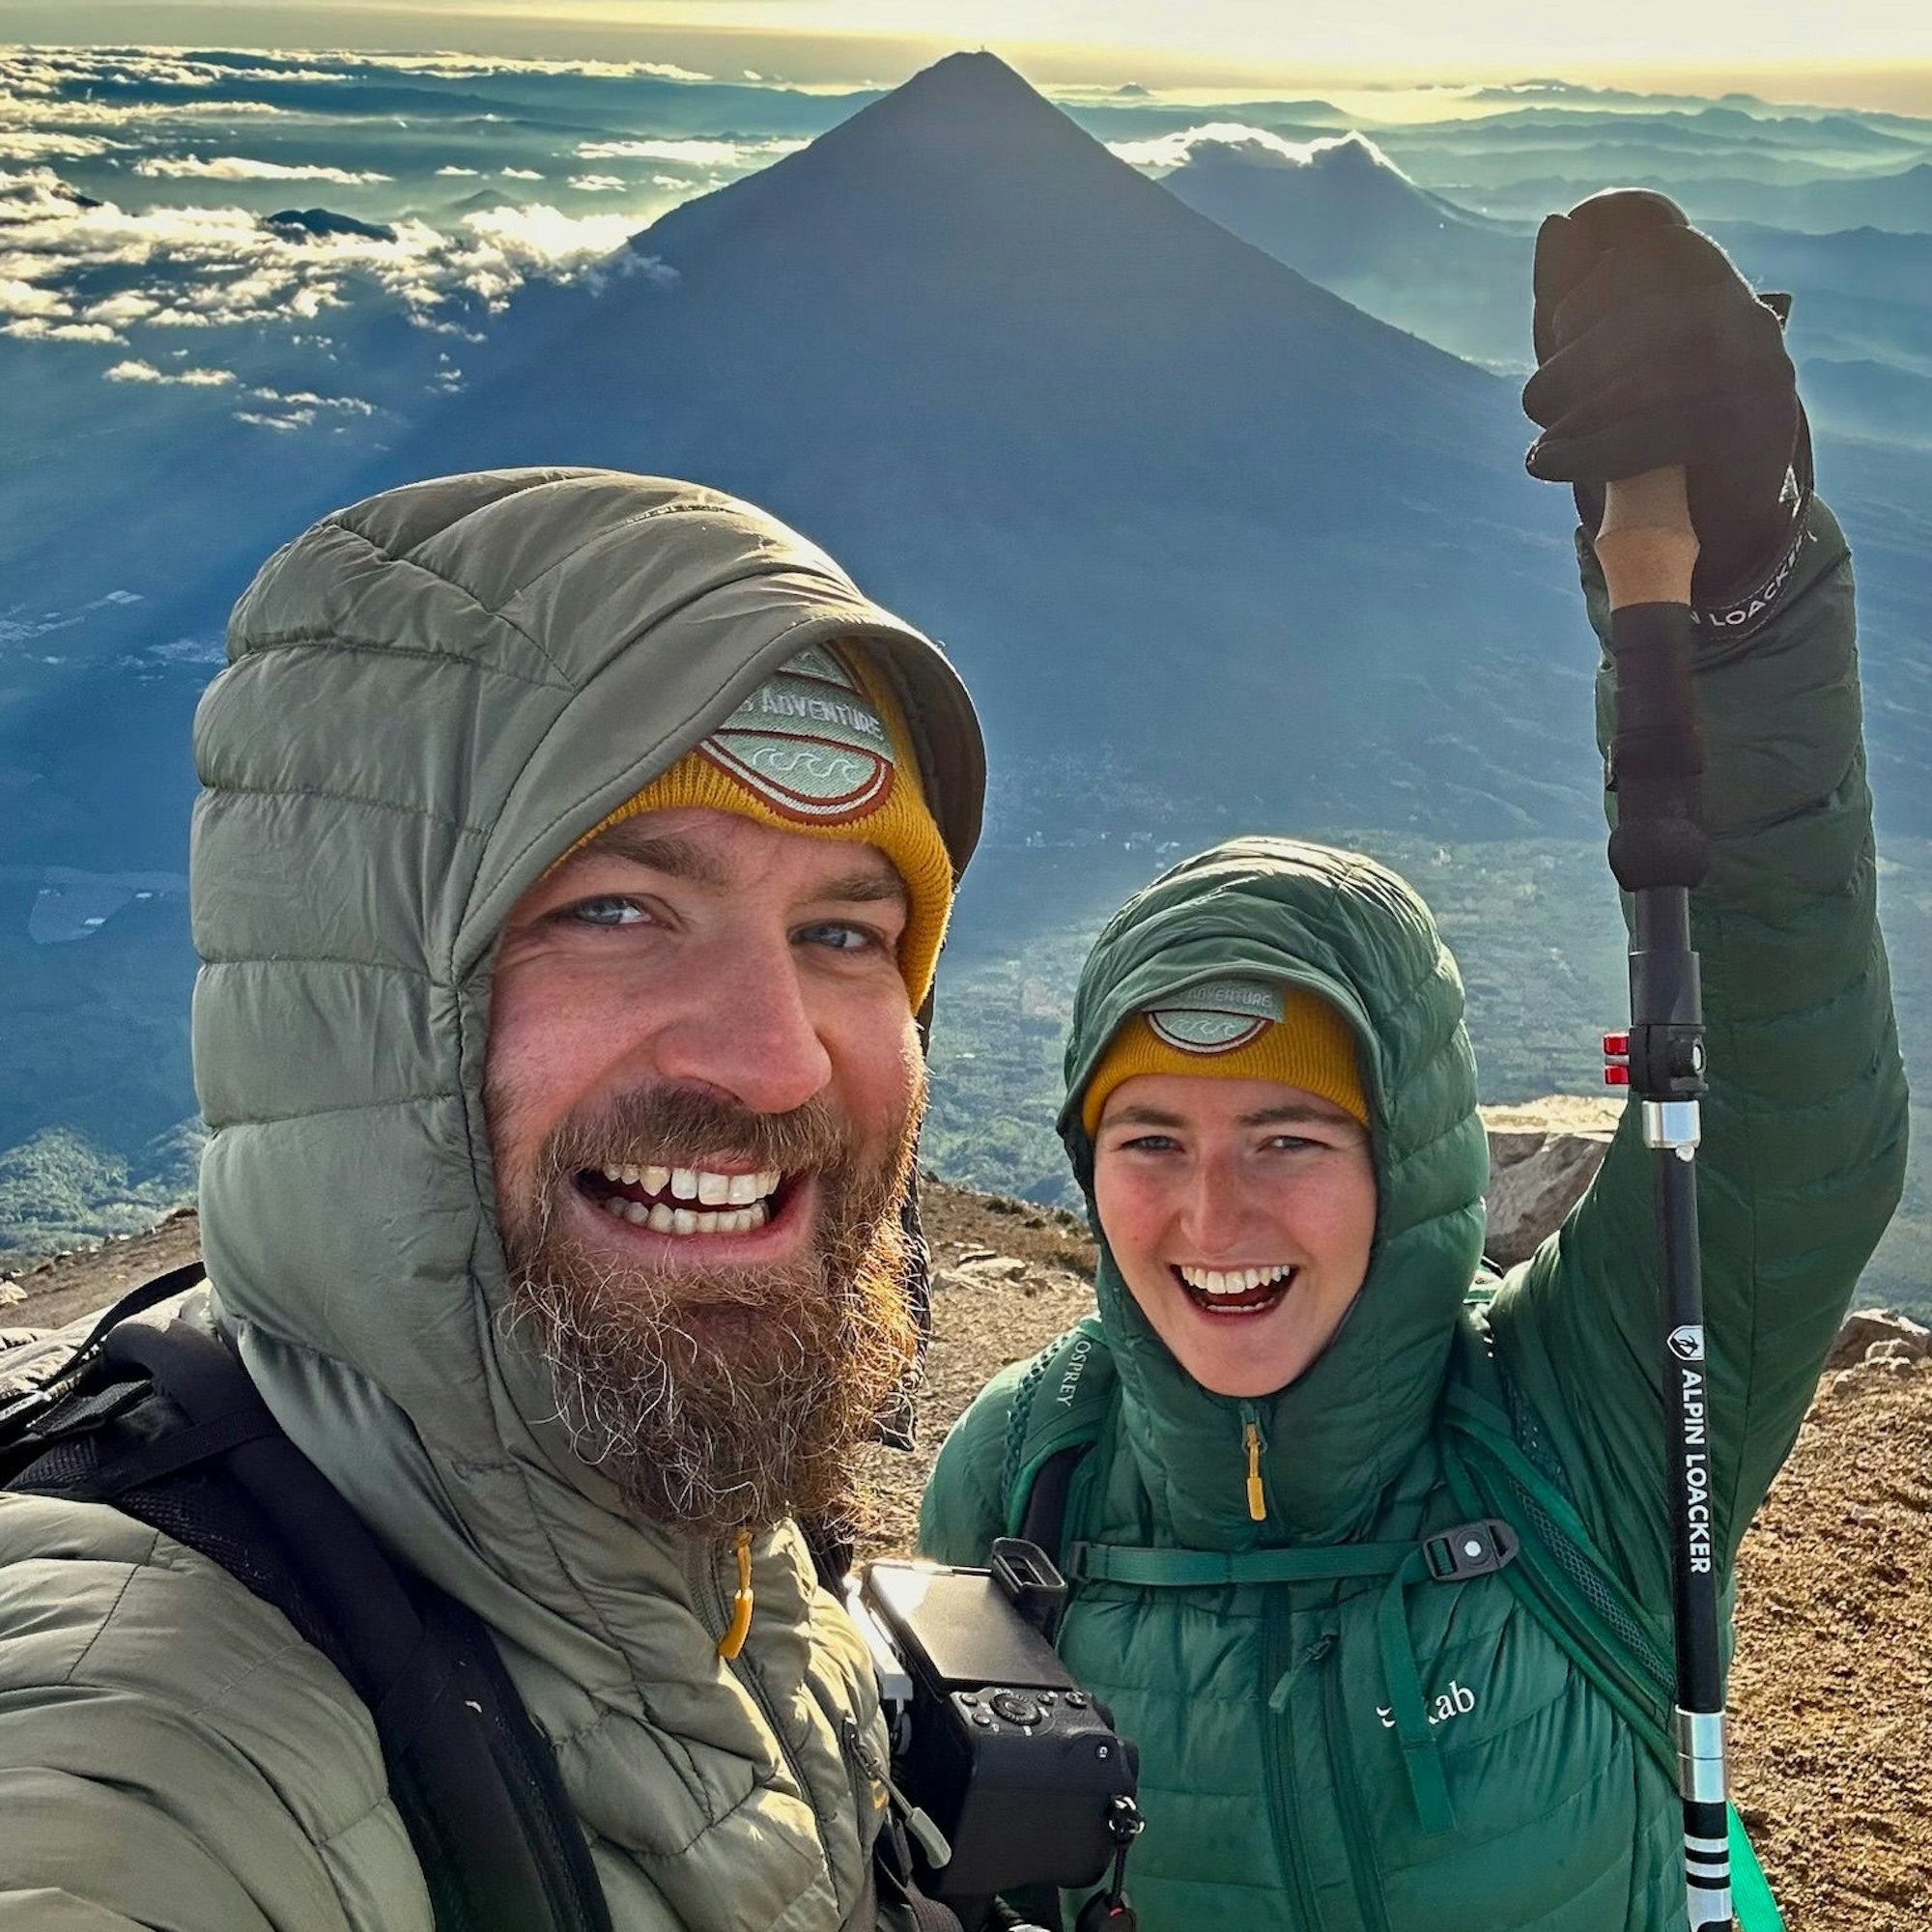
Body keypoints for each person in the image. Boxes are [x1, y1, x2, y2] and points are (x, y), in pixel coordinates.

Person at [919, 195, 1907, 1928]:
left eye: (1293, 1135)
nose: (1211, 1209)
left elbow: (1790, 1098)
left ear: (1416, 1156)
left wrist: (1732, 608)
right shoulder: (1025, 1476)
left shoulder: (1585, 1420)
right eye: (1149, 1136)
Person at [0, 469, 984, 1929]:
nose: (778, 1062)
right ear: (357, 1001)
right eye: (612, 910)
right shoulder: (141, 1771)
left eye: (845, 929)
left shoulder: (691, 1495)